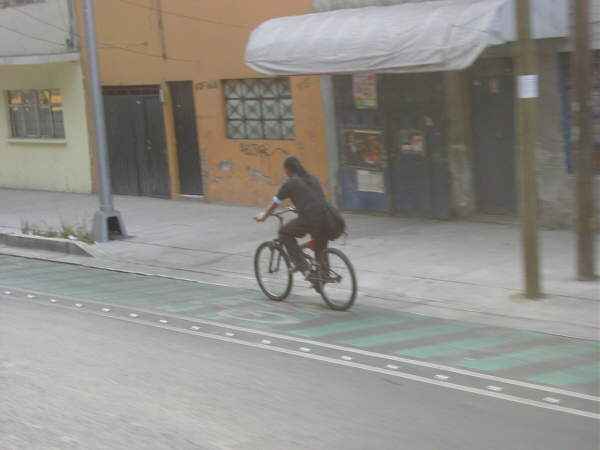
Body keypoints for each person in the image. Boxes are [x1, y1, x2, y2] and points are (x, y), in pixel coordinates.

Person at [254, 155, 327, 276]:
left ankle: (300, 262)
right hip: (326, 217)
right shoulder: (312, 178)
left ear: (287, 170)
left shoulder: (290, 183)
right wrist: (299, 209)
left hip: (309, 219)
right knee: (321, 253)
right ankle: (322, 277)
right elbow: (314, 200)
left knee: (284, 232)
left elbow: (274, 204)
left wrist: (264, 217)